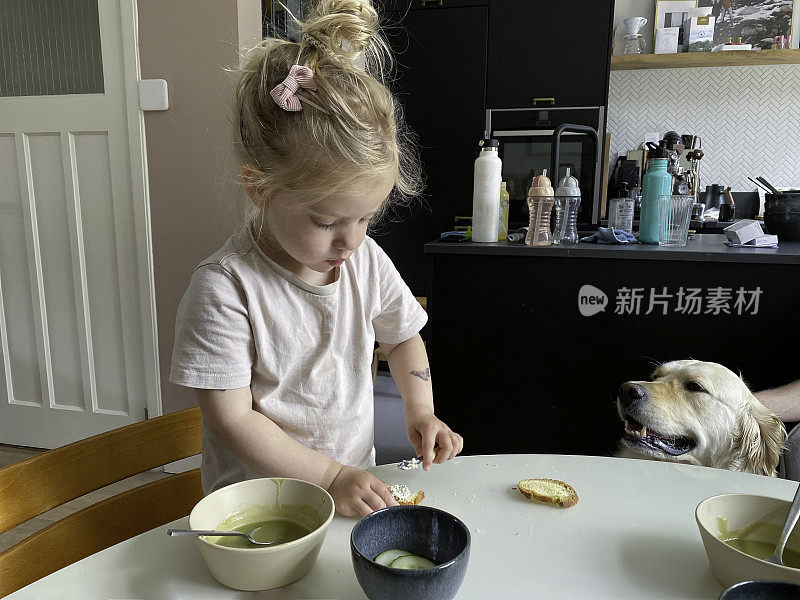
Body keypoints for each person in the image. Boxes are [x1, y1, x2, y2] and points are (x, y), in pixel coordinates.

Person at [169, 0, 463, 517]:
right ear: (260, 189)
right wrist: (331, 475)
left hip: (352, 498)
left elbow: (403, 338)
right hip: (258, 514)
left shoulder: (365, 261)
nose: (351, 241)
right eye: (327, 222)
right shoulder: (225, 289)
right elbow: (233, 421)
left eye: (366, 217)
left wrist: (422, 411)